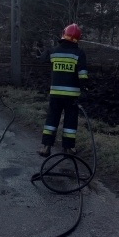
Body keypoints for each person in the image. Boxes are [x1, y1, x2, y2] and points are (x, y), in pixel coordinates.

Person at [38, 23, 88, 157]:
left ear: (63, 34)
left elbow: (42, 59)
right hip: (72, 95)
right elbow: (83, 75)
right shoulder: (79, 53)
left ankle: (46, 146)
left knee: (51, 119)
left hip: (55, 94)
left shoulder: (54, 51)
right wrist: (85, 89)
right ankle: (68, 148)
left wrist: (46, 49)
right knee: (70, 121)